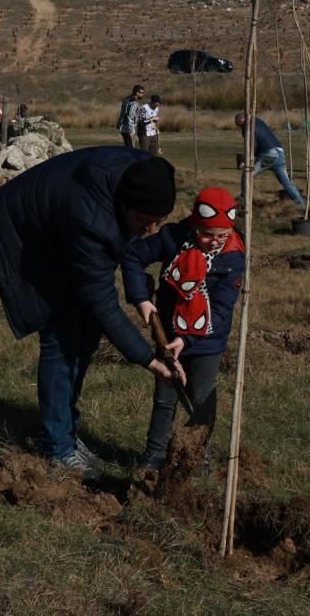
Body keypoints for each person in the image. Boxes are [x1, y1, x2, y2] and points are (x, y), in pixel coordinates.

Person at [0, 146, 181, 477]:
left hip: (57, 222)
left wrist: (141, 298)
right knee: (62, 337)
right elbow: (101, 300)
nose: (151, 230)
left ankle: (67, 435)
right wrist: (146, 358)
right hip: (25, 236)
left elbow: (128, 259)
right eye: (145, 221)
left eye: (159, 221)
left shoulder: (146, 173)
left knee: (86, 333)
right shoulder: (91, 219)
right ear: (124, 205)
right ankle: (57, 448)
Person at [122, 187, 245, 470]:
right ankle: (154, 456)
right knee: (165, 397)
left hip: (207, 341)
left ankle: (197, 458)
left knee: (200, 401)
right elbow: (132, 257)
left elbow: (223, 309)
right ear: (194, 223)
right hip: (167, 333)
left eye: (221, 236)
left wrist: (187, 340)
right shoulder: (173, 238)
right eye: (207, 234)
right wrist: (141, 298)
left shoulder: (233, 256)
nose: (214, 242)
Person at [234, 112, 305, 206]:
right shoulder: (258, 121)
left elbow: (252, 147)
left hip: (269, 155)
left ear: (241, 122)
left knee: (247, 174)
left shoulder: (247, 128)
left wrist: (244, 160)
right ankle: (301, 204)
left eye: (239, 125)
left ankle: (243, 198)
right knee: (286, 182)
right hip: (280, 153)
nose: (240, 128)